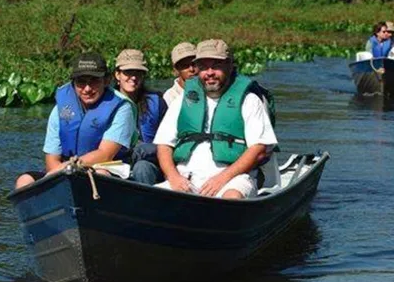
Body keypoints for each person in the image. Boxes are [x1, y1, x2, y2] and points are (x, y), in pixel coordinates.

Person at [154, 39, 278, 200]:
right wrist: (173, 177)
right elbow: (164, 145)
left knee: (231, 199)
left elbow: (258, 149)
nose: (209, 72)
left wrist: (221, 179)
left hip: (233, 179)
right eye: (204, 67)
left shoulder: (249, 100)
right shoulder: (183, 100)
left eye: (216, 66)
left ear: (229, 65)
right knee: (153, 197)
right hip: (185, 178)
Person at [15, 52, 135, 189]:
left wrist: (67, 168)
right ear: (73, 83)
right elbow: (51, 160)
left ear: (106, 80)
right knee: (24, 181)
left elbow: (105, 154)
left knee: (100, 175)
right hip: (63, 171)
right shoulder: (60, 109)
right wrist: (61, 173)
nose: (87, 89)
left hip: (106, 169)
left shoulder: (121, 108)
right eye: (81, 82)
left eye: (94, 81)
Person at [114, 49, 168, 184]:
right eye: (128, 72)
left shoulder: (157, 102)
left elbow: (168, 141)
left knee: (142, 167)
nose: (133, 77)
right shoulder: (105, 104)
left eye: (138, 73)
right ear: (117, 75)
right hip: (115, 163)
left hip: (150, 163)